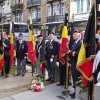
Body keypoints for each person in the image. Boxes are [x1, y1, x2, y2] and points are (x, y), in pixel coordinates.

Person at [68, 30, 82, 99]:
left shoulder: (80, 43)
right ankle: (75, 91)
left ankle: (77, 92)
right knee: (74, 79)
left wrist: (70, 53)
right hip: (73, 63)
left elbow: (77, 54)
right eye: (73, 34)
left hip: (77, 64)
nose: (73, 36)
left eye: (75, 34)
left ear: (79, 35)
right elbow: (71, 52)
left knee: (76, 78)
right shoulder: (74, 43)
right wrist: (71, 53)